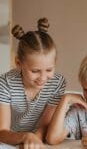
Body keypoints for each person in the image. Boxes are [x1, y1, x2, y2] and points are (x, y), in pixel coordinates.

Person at [0, 18, 66, 149]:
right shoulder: (5, 83)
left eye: (49, 70)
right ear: (18, 64)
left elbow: (44, 125)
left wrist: (34, 140)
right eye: (35, 71)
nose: (43, 78)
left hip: (36, 138)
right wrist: (24, 137)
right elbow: (2, 132)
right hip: (11, 137)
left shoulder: (57, 83)